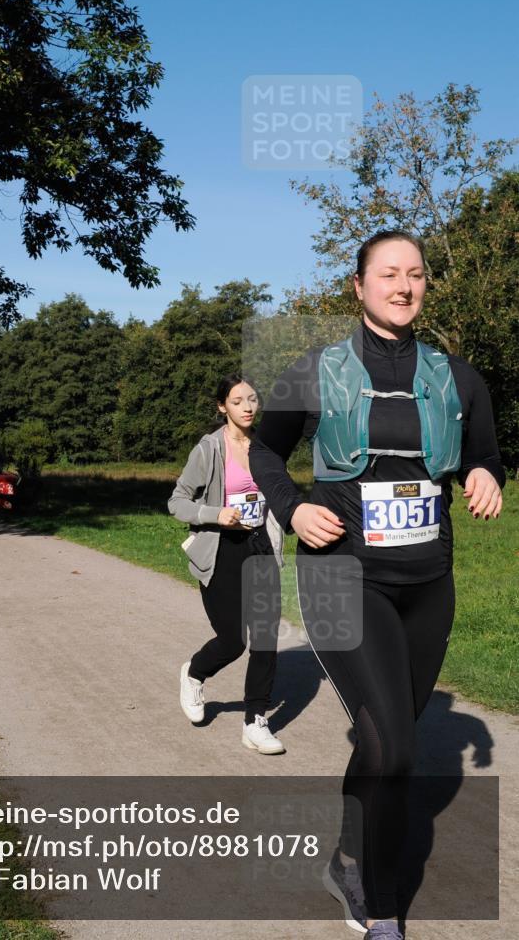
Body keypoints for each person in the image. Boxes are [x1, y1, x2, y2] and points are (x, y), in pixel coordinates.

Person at [249, 230, 505, 940]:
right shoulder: (315, 370)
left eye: (415, 275)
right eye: (387, 274)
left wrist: (486, 473)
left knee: (382, 739)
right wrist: (295, 506)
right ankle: (382, 903)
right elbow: (266, 450)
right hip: (341, 573)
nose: (403, 285)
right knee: (393, 748)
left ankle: (348, 854)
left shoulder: (457, 378)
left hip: (427, 581)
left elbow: (485, 453)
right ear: (358, 286)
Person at [168, 373, 286, 755]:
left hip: (261, 545)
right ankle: (195, 673)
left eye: (252, 399)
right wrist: (215, 513)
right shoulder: (208, 449)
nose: (248, 407)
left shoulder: (267, 446)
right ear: (223, 407)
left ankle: (255, 721)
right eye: (238, 401)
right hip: (222, 551)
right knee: (234, 641)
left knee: (266, 638)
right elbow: (177, 502)